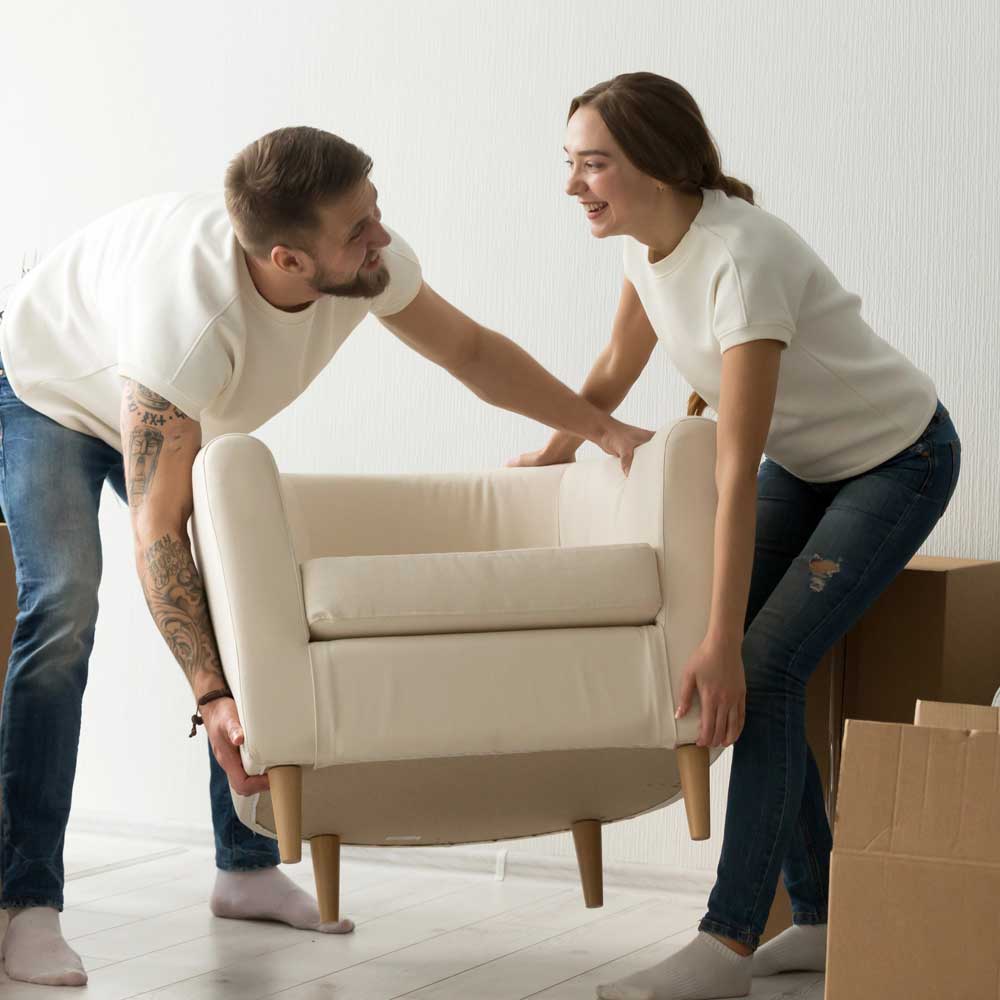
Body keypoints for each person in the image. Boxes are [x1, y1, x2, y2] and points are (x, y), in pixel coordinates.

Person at [0, 125, 654, 987]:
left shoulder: (365, 261)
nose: (380, 237)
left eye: (373, 213)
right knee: (67, 606)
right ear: (288, 261)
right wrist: (211, 694)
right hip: (48, 389)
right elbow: (158, 531)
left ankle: (244, 867)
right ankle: (28, 905)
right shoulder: (191, 325)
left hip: (162, 403)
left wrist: (599, 428)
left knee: (245, 601)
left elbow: (470, 351)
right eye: (357, 231)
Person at [509, 72, 961, 1000]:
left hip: (897, 459)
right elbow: (610, 369)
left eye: (594, 164)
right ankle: (827, 915)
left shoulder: (739, 259)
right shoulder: (645, 246)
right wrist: (550, 457)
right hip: (808, 464)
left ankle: (728, 943)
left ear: (660, 164)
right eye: (570, 163)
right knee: (748, 661)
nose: (574, 186)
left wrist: (721, 643)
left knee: (762, 663)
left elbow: (732, 466)